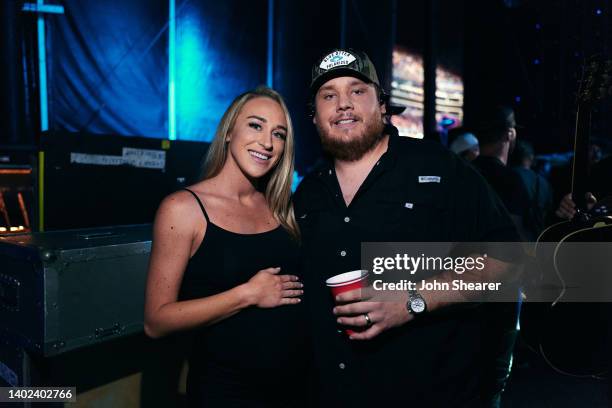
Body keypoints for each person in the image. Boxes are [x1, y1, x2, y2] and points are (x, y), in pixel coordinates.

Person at [294, 48, 522, 407]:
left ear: (382, 105)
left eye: (357, 90)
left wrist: (412, 301)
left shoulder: (439, 167)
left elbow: (509, 261)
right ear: (314, 115)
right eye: (328, 95)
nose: (343, 104)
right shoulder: (307, 193)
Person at [144, 86, 309, 407]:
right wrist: (248, 294)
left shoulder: (281, 206)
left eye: (279, 133)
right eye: (256, 125)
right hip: (227, 392)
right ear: (229, 131)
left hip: (295, 387)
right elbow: (156, 321)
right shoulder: (183, 208)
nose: (267, 142)